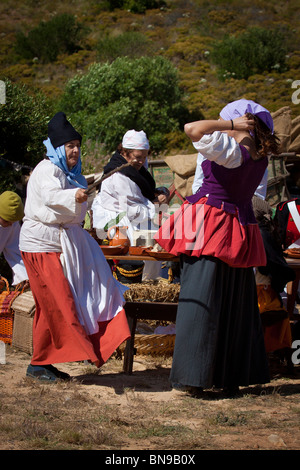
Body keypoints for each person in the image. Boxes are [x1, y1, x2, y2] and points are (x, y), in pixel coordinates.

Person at [154, 99, 280, 396]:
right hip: (238, 225)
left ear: (242, 122)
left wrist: (232, 125)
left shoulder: (232, 153)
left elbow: (191, 128)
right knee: (233, 302)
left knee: (201, 298)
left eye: (229, 120)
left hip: (212, 225)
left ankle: (193, 378)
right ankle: (229, 376)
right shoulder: (258, 157)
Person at [19, 112, 130, 382]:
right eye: (70, 146)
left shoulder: (70, 173)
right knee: (59, 302)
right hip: (40, 245)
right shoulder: (48, 169)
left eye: (78, 145)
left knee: (54, 303)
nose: (76, 150)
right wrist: (74, 195)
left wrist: (79, 194)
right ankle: (40, 363)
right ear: (58, 148)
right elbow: (51, 195)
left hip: (58, 245)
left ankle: (42, 363)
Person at [92, 129, 169, 280]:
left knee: (151, 242)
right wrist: (155, 204)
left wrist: (157, 193)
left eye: (145, 157)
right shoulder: (119, 175)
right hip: (119, 220)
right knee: (134, 252)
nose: (142, 161)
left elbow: (140, 193)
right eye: (138, 157)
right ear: (125, 152)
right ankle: (131, 284)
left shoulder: (134, 167)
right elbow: (132, 210)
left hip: (135, 216)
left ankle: (148, 283)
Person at [0, 191, 28, 286]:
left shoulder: (12, 224)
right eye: (7, 221)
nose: (10, 225)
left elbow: (15, 250)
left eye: (13, 221)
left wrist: (24, 277)